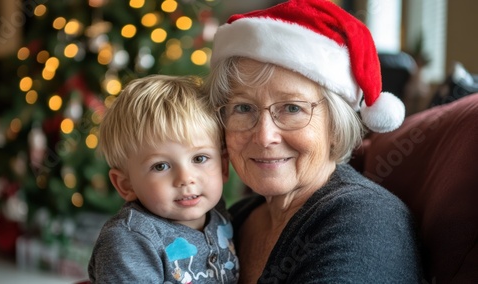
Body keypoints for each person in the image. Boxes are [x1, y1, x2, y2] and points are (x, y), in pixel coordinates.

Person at [204, 0, 422, 283]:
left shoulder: (365, 221)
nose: (264, 136)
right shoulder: (234, 219)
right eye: (243, 108)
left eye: (292, 108)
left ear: (335, 123)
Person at [88, 75, 239, 283]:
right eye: (161, 166)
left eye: (199, 158)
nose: (186, 178)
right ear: (126, 184)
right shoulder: (131, 240)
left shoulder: (219, 214)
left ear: (223, 166)